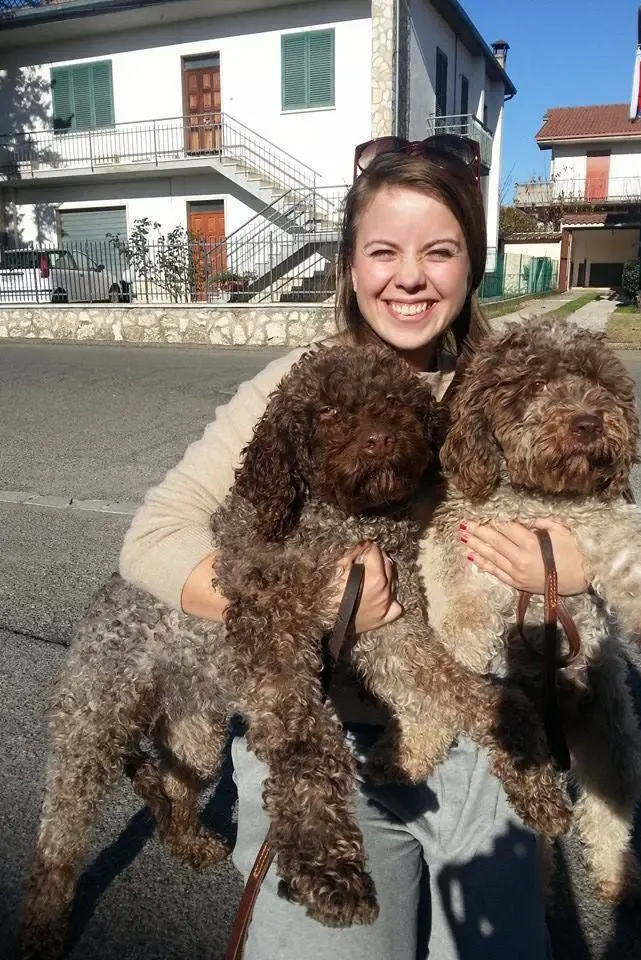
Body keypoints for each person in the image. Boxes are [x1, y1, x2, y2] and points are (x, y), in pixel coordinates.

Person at [119, 134, 588, 960]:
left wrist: (576, 572)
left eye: (438, 251)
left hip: (485, 739)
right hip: (333, 738)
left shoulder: (512, 385)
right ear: (350, 265)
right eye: (384, 251)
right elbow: (153, 541)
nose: (409, 276)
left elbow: (609, 517)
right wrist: (314, 605)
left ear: (472, 264)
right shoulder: (298, 385)